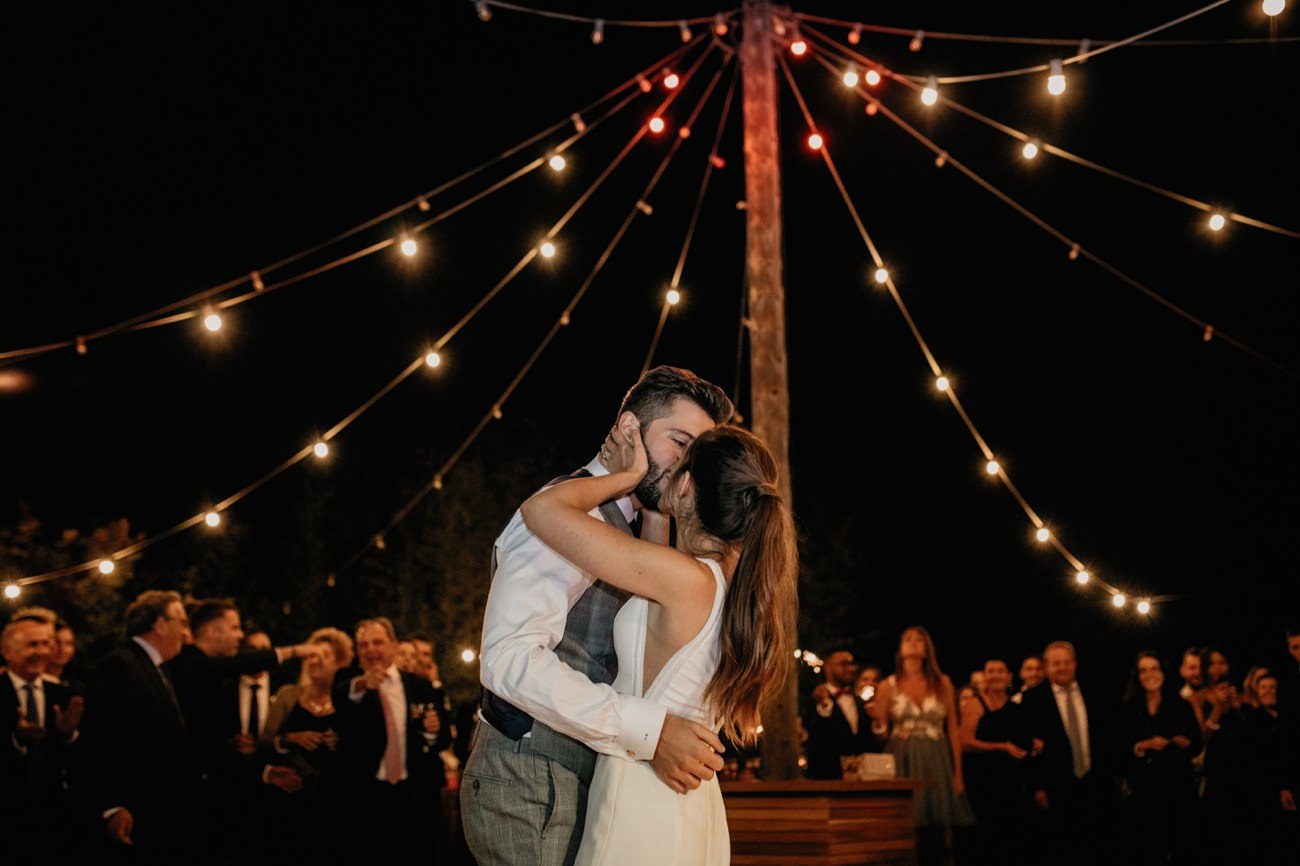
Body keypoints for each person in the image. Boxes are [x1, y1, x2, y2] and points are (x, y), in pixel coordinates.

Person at [461, 365, 735, 866]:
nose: (686, 464)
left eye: (697, 451)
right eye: (679, 440)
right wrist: (649, 730)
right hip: (533, 781)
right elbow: (509, 659)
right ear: (630, 429)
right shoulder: (577, 515)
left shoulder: (636, 526)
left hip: (589, 783)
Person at [518, 417, 797, 865]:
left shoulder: (685, 580)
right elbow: (652, 629)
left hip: (643, 788)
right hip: (689, 797)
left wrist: (625, 477)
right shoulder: (732, 584)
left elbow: (540, 511)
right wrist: (653, 515)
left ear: (686, 486)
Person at [80, 590, 191, 862]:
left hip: (162, 808)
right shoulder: (121, 665)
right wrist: (114, 804)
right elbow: (104, 737)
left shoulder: (153, 668)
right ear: (160, 624)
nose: (186, 633)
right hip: (140, 810)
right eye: (182, 622)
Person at [332, 617, 450, 862]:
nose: (371, 650)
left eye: (377, 642)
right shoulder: (350, 682)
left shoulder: (420, 686)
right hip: (365, 796)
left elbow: (442, 738)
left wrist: (431, 731)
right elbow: (342, 699)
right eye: (364, 645)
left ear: (393, 645)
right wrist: (363, 684)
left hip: (413, 794)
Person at [869, 626, 974, 866]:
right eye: (908, 638)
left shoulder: (942, 683)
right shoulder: (888, 685)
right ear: (900, 649)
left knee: (943, 835)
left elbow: (952, 731)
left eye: (920, 639)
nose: (914, 642)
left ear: (927, 650)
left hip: (936, 759)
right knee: (909, 832)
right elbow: (881, 736)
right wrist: (876, 720)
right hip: (902, 756)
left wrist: (958, 775)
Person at [258, 626, 354, 860]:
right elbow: (265, 743)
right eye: (312, 654)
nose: (316, 661)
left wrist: (340, 741)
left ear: (340, 662)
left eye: (325, 655)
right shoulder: (288, 695)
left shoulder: (348, 699)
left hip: (335, 798)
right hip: (292, 794)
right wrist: (290, 739)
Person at [1020, 640, 1115, 866]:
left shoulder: (1096, 693)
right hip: (1056, 789)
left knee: (1098, 848)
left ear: (1075, 664)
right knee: (1061, 851)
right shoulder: (1032, 699)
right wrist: (1037, 788)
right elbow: (1028, 748)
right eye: (1056, 663)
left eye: (1067, 662)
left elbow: (1107, 738)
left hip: (1095, 785)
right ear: (1046, 667)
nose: (1062, 668)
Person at [1, 614, 84, 860]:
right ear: (7, 651)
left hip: (54, 817)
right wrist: (16, 740)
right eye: (32, 645)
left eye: (46, 644)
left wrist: (68, 734)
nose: (42, 651)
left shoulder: (62, 694)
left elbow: (85, 759)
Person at [1118, 651, 1203, 865]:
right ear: (1136, 676)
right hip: (1145, 791)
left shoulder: (1180, 705)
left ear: (1163, 672)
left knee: (1183, 847)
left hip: (1178, 787)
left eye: (1154, 668)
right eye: (1143, 670)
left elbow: (1197, 744)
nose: (1149, 674)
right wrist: (1142, 746)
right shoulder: (1129, 708)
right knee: (1149, 849)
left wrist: (1186, 742)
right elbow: (1118, 749)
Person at [959, 658, 1030, 866]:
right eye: (991, 671)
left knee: (1008, 835)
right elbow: (965, 741)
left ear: (1009, 677)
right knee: (985, 836)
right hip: (981, 781)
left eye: (1000, 671)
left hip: (1008, 781)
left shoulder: (1015, 707)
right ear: (984, 677)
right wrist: (1001, 747)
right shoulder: (976, 704)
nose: (996, 675)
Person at [805, 647, 876, 779]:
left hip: (859, 783)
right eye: (844, 664)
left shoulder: (861, 702)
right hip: (826, 780)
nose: (851, 668)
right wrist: (825, 705)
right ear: (828, 667)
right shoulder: (814, 698)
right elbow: (815, 734)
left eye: (851, 663)